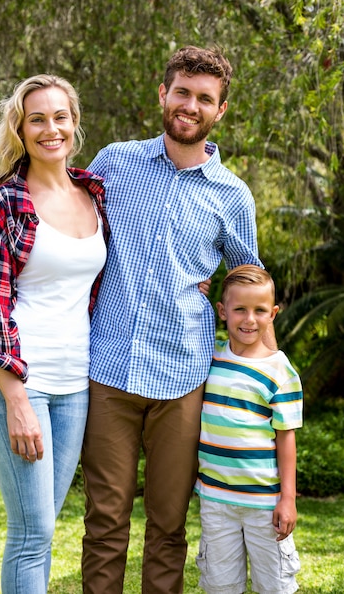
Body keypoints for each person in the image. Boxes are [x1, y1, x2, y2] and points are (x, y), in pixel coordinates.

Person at [81, 45, 271, 594]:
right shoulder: (115, 162)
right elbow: (70, 231)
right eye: (182, 92)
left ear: (220, 111)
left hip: (184, 380)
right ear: (163, 95)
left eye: (204, 98)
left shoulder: (233, 196)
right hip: (109, 370)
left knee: (168, 526)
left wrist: (267, 374)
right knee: (105, 522)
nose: (191, 105)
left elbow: (250, 287)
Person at [0, 74, 109, 594]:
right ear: (20, 130)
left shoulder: (95, 195)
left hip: (76, 384)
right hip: (19, 385)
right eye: (37, 119)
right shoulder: (3, 205)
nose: (51, 129)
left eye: (60, 117)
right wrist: (15, 395)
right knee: (32, 531)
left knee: (41, 531)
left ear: (74, 123)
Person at [195, 265, 302, 594]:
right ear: (222, 311)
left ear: (273, 314)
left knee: (274, 586)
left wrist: (288, 498)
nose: (249, 319)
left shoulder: (280, 371)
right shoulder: (207, 359)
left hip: (265, 504)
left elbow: (286, 438)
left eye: (259, 311)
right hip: (215, 500)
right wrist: (193, 295)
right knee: (220, 585)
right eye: (240, 309)